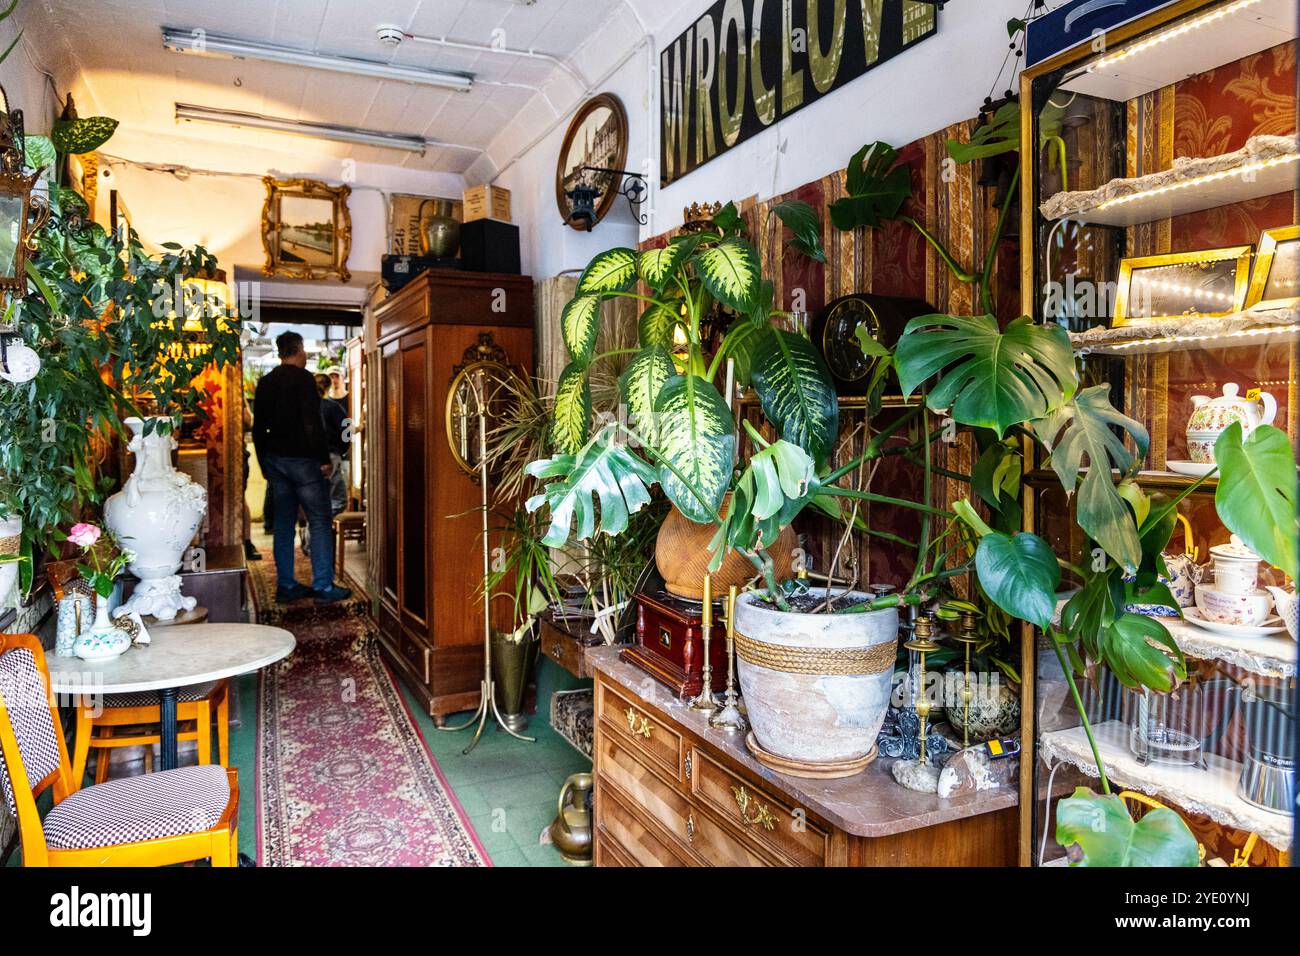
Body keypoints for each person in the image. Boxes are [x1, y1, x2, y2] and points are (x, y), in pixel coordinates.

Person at [253, 331, 350, 604]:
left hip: (276, 460)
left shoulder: (266, 382)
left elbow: (259, 427)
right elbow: (312, 423)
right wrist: (323, 459)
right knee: (319, 520)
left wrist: (264, 464)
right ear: (298, 350)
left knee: (284, 522)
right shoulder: (304, 380)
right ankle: (323, 585)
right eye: (304, 350)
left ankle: (286, 585)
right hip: (304, 461)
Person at [315, 372, 349, 516]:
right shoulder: (333, 407)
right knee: (338, 500)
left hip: (308, 459)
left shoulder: (304, 406)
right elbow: (346, 429)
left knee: (315, 499)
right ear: (328, 386)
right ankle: (319, 524)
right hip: (331, 457)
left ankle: (314, 525)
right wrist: (342, 450)